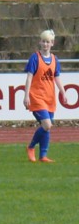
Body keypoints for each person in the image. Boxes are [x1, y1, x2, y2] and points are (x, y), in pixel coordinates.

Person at [24, 29, 65, 163]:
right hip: (37, 97)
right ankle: (31, 147)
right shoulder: (35, 58)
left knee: (47, 127)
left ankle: (43, 156)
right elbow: (29, 77)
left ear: (52, 43)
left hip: (49, 98)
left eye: (48, 42)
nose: (45, 44)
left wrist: (63, 92)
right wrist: (26, 95)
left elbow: (57, 77)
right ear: (40, 42)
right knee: (47, 125)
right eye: (43, 41)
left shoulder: (54, 59)